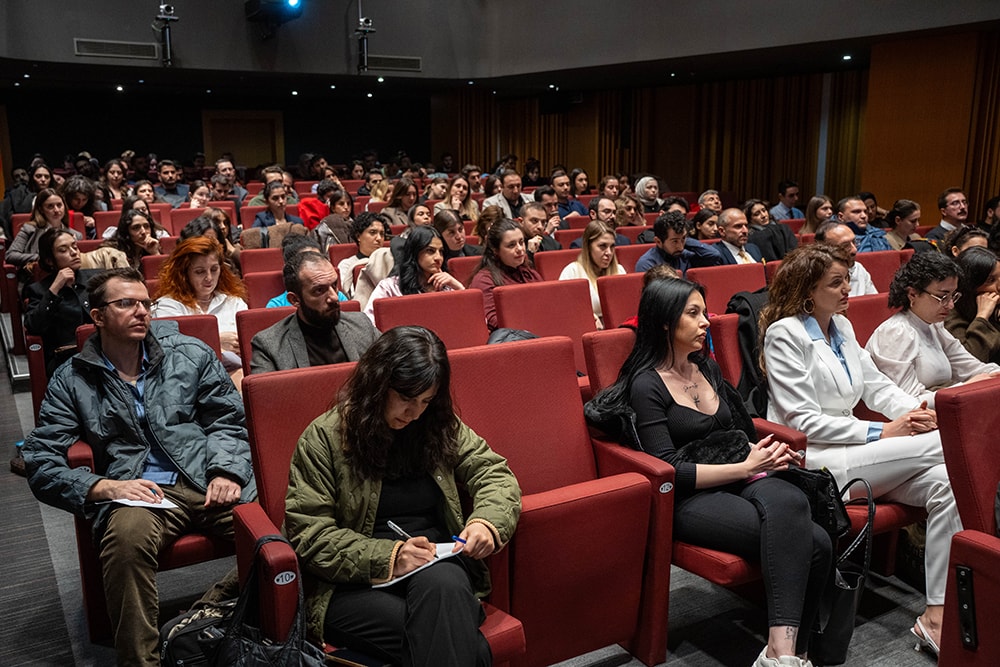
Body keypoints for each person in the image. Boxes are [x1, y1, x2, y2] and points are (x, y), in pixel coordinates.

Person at [589, 278, 830, 667]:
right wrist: (747, 465)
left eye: (705, 311)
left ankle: (786, 654)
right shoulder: (646, 384)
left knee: (796, 507)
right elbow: (670, 471)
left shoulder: (706, 368)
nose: (706, 322)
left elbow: (734, 431)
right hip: (689, 499)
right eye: (694, 313)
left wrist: (762, 452)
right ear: (666, 322)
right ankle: (787, 655)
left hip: (739, 479)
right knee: (812, 540)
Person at [22, 266, 255, 667]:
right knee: (125, 545)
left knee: (286, 529)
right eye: (126, 303)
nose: (142, 311)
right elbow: (40, 460)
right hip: (139, 491)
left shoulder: (189, 353)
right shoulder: (72, 379)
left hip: (204, 476)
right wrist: (102, 487)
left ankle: (207, 607)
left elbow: (228, 420)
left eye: (145, 303)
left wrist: (226, 471)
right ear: (97, 317)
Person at [760, 244, 963, 656]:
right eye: (836, 282)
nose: (848, 288)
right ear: (807, 290)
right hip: (815, 460)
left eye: (847, 278)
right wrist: (882, 431)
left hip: (860, 454)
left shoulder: (844, 327)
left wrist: (917, 411)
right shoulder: (785, 334)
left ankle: (936, 617)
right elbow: (801, 423)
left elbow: (877, 386)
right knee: (952, 447)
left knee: (948, 483)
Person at [284, 325, 520, 665]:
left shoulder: (437, 425)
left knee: (446, 587)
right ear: (377, 386)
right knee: (466, 643)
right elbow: (311, 535)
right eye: (407, 399)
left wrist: (486, 522)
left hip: (433, 564)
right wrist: (390, 557)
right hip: (351, 583)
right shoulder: (324, 438)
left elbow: (493, 473)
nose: (415, 413)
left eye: (426, 401)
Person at [866, 251, 1000, 407]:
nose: (950, 305)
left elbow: (973, 368)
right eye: (943, 297)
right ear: (913, 294)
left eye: (953, 296)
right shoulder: (896, 333)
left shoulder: (934, 325)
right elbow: (908, 403)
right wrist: (967, 387)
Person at [250, 251, 379, 373]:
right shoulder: (268, 346)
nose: (334, 297)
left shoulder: (361, 324)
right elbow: (267, 396)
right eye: (319, 290)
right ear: (295, 300)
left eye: (334, 285)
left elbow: (395, 366)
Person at [152, 237, 248, 376]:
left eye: (214, 269)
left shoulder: (234, 302)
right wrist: (217, 341)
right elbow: (171, 348)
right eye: (199, 271)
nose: (209, 277)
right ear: (184, 274)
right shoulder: (168, 305)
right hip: (188, 377)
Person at [23, 228, 99, 376]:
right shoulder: (39, 290)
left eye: (75, 247)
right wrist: (55, 289)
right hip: (67, 363)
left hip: (103, 353)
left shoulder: (96, 279)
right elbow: (33, 326)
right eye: (63, 250)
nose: (73, 252)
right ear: (49, 260)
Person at [364, 226, 465, 325]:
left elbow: (466, 319)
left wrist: (458, 287)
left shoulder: (445, 287)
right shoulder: (390, 287)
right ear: (415, 253)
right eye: (430, 251)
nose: (438, 257)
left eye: (441, 252)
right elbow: (369, 323)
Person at [469, 218, 543, 330]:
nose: (520, 249)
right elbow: (494, 321)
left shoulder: (531, 273)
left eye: (521, 242)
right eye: (511, 245)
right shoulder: (484, 280)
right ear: (495, 250)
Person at [558, 220, 626, 329]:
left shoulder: (620, 270)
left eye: (612, 246)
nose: (609, 252)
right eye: (602, 246)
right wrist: (588, 317)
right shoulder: (572, 271)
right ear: (588, 247)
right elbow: (564, 311)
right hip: (585, 330)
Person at [946, 247, 1000, 364]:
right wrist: (982, 317)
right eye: (991, 280)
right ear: (970, 286)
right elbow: (971, 361)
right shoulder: (950, 313)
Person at [7, 188, 83, 272]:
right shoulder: (30, 229)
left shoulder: (75, 235)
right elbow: (10, 255)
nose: (56, 210)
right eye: (50, 206)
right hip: (35, 277)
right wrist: (42, 258)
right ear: (41, 209)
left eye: (59, 205)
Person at [635, 211, 722, 275]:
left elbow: (714, 255)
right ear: (658, 242)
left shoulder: (685, 255)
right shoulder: (647, 264)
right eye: (674, 241)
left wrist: (685, 240)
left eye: (683, 239)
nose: (680, 247)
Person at [814, 221, 878, 296]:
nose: (854, 250)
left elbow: (873, 302)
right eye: (845, 246)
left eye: (854, 242)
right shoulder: (814, 275)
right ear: (823, 248)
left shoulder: (858, 268)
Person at [338, 212, 387, 298]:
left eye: (382, 234)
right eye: (373, 232)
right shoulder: (346, 265)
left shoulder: (389, 262)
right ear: (358, 236)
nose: (379, 238)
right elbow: (351, 296)